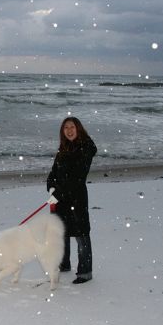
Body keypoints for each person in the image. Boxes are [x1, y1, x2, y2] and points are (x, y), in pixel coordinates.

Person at [46, 117, 97, 284]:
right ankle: (64, 263)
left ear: (79, 128)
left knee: (81, 234)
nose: (69, 130)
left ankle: (85, 272)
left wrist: (58, 193)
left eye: (72, 127)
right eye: (65, 127)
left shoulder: (86, 148)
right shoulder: (64, 148)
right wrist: (51, 187)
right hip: (60, 198)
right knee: (62, 231)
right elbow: (54, 172)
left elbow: (77, 177)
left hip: (77, 198)